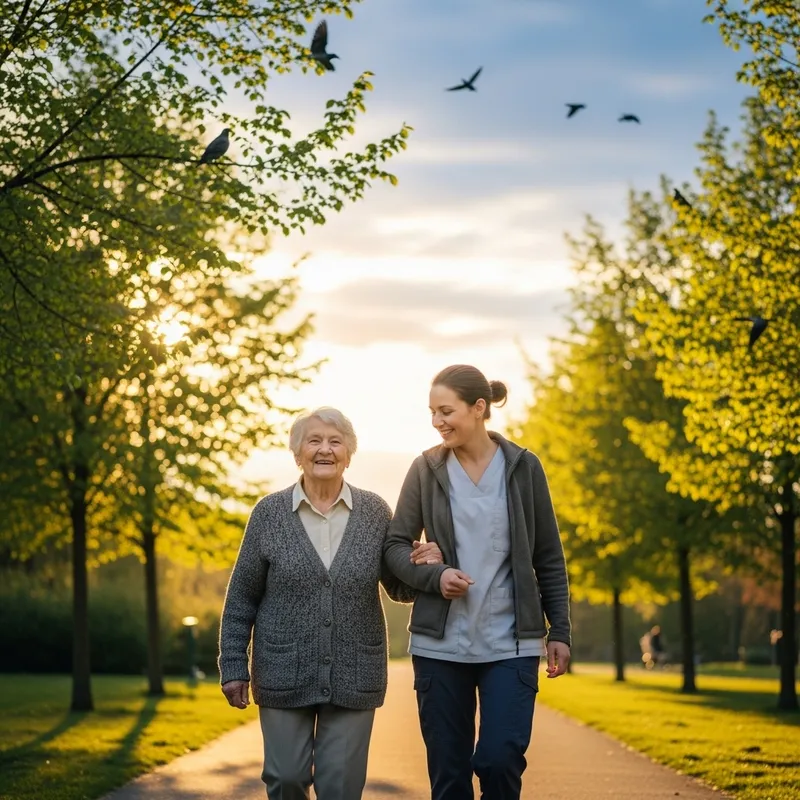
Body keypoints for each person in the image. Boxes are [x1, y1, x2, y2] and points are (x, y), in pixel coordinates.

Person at [218, 407, 442, 800]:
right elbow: (241, 597)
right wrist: (233, 665)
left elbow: (398, 588)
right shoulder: (268, 514)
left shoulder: (374, 512)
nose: (325, 450)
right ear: (297, 453)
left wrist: (421, 565)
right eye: (314, 441)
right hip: (282, 670)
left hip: (354, 670)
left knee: (340, 787)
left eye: (335, 442)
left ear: (349, 454)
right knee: (285, 777)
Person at [383, 365, 572, 800]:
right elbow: (395, 546)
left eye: (446, 411)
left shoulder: (524, 468)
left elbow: (548, 556)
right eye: (432, 412)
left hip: (511, 642)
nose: (437, 422)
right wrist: (434, 576)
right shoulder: (426, 468)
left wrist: (559, 628)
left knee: (499, 759)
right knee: (449, 776)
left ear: (479, 408)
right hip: (440, 646)